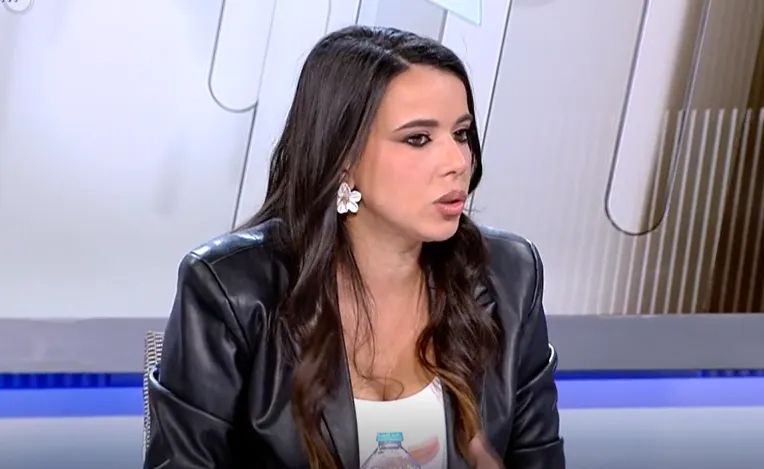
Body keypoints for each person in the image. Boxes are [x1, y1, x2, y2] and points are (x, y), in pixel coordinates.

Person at [144, 25, 565, 469]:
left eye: (461, 134)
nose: (458, 162)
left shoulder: (509, 277)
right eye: (418, 139)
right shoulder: (231, 290)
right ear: (342, 156)